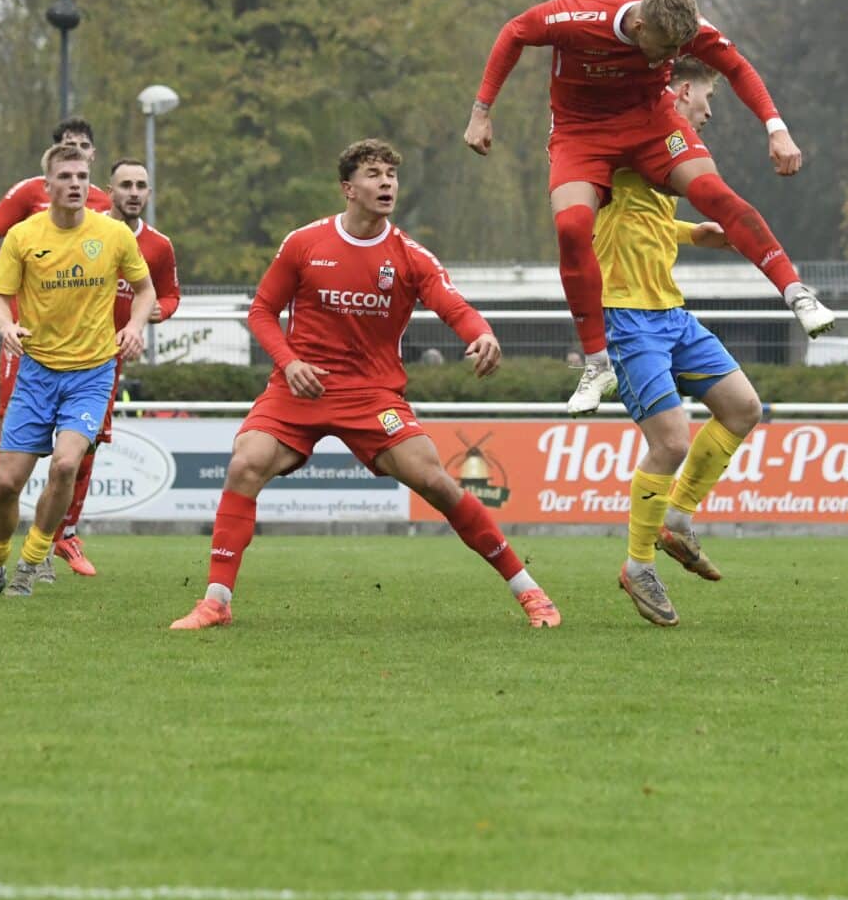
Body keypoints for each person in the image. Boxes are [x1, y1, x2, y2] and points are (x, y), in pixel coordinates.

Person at [171, 139, 561, 631]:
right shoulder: (304, 243)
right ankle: (216, 601)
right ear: (348, 188)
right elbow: (261, 312)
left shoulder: (409, 255)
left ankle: (529, 591)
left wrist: (480, 333)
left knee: (436, 481)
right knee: (245, 463)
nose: (386, 184)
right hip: (299, 386)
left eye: (391, 176)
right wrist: (289, 362)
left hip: (372, 394)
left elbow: (451, 304)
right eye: (374, 174)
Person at [468, 0, 832, 417]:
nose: (668, 60)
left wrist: (777, 129)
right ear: (639, 25)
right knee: (571, 227)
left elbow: (737, 67)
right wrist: (482, 112)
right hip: (581, 134)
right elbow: (514, 32)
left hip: (651, 126)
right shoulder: (577, 16)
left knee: (715, 193)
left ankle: (796, 294)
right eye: (662, 49)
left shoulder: (685, 28)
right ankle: (597, 363)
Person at [596, 60, 765, 627]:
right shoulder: (629, 134)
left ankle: (680, 519)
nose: (711, 112)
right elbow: (611, 221)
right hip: (627, 314)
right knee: (669, 442)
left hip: (671, 312)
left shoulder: (668, 155)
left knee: (743, 408)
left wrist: (691, 233)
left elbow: (642, 221)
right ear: (682, 90)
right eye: (709, 98)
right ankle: (638, 565)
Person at [0, 143, 153, 597]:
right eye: (65, 177)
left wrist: (136, 326)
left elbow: (145, 291)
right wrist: (6, 326)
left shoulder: (113, 235)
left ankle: (31, 563)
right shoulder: (24, 236)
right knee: (7, 483)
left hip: (92, 373)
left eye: (82, 177)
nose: (75, 184)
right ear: (47, 186)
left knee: (65, 465)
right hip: (37, 372)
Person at [0, 117, 115, 556]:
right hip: (32, 343)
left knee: (80, 451)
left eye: (83, 149)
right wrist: (8, 307)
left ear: (93, 157)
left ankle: (60, 535)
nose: (76, 159)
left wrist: (135, 320)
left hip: (93, 349)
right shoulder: (28, 196)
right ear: (49, 171)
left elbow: (127, 272)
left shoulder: (103, 207)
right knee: (8, 438)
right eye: (68, 149)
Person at [46, 156, 181, 577]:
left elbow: (170, 296)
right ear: (110, 189)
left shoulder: (158, 246)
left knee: (84, 449)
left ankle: (62, 533)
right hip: (52, 354)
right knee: (19, 447)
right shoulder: (88, 232)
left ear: (149, 193)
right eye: (126, 185)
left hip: (103, 364)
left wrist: (148, 319)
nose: (134, 193)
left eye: (142, 185)